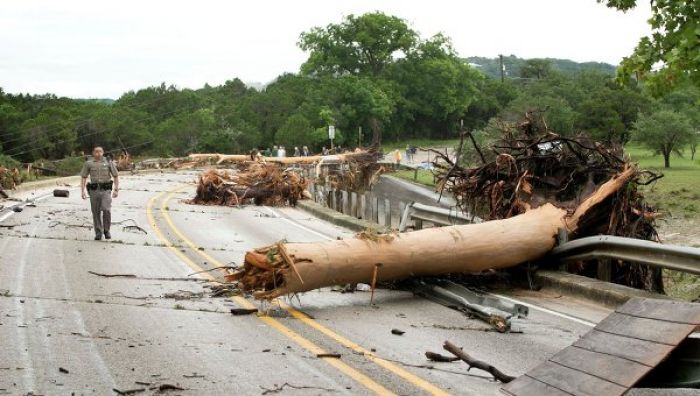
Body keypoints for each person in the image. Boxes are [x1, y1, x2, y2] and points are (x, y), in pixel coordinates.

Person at [80, 146, 119, 240]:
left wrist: (116, 189)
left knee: (106, 209)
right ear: (93, 153)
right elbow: (83, 177)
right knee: (95, 212)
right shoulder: (88, 163)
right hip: (94, 191)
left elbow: (116, 176)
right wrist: (82, 191)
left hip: (106, 190)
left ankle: (106, 230)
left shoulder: (108, 162)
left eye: (100, 151)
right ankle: (98, 232)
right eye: (96, 152)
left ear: (103, 152)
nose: (98, 153)